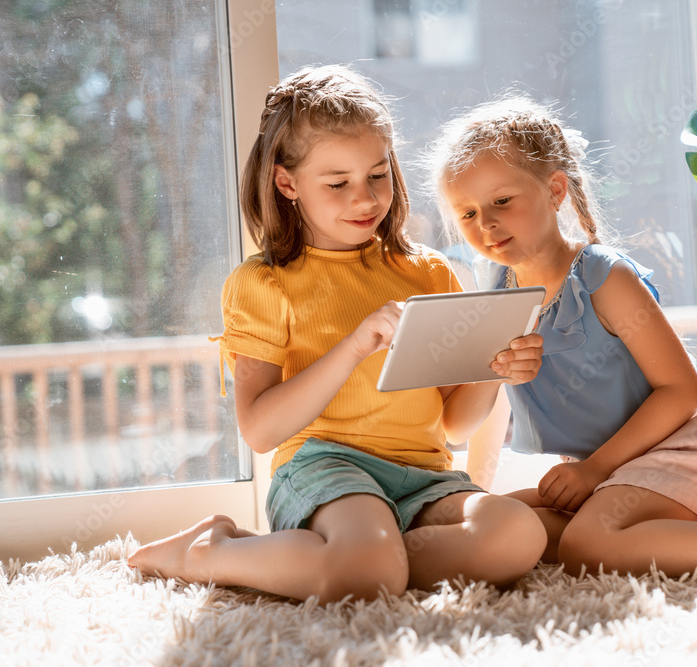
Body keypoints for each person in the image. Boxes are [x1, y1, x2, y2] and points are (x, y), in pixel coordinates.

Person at [128, 66, 547, 603]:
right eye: (338, 183)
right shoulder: (264, 283)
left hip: (423, 475)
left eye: (378, 175)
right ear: (287, 183)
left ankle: (368, 560)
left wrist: (493, 371)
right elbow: (259, 431)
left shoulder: (430, 272)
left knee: (518, 534)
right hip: (325, 469)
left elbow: (456, 424)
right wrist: (354, 346)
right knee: (367, 573)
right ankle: (211, 550)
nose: (365, 199)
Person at [426, 95, 697, 576]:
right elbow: (482, 417)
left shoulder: (603, 277)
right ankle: (663, 535)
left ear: (555, 190)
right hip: (608, 472)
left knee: (588, 545)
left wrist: (595, 471)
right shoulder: (498, 292)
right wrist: (479, 483)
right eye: (467, 213)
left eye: (501, 201)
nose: (486, 223)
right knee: (504, 519)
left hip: (677, 455)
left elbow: (680, 391)